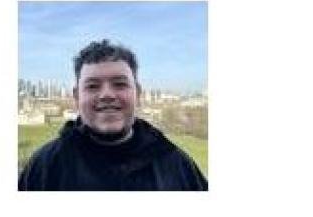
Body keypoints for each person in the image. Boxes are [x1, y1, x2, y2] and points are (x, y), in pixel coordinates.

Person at [19, 39, 208, 191]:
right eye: (93, 86)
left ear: (138, 93)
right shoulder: (44, 166)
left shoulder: (176, 164)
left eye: (120, 84)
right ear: (77, 97)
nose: (107, 95)